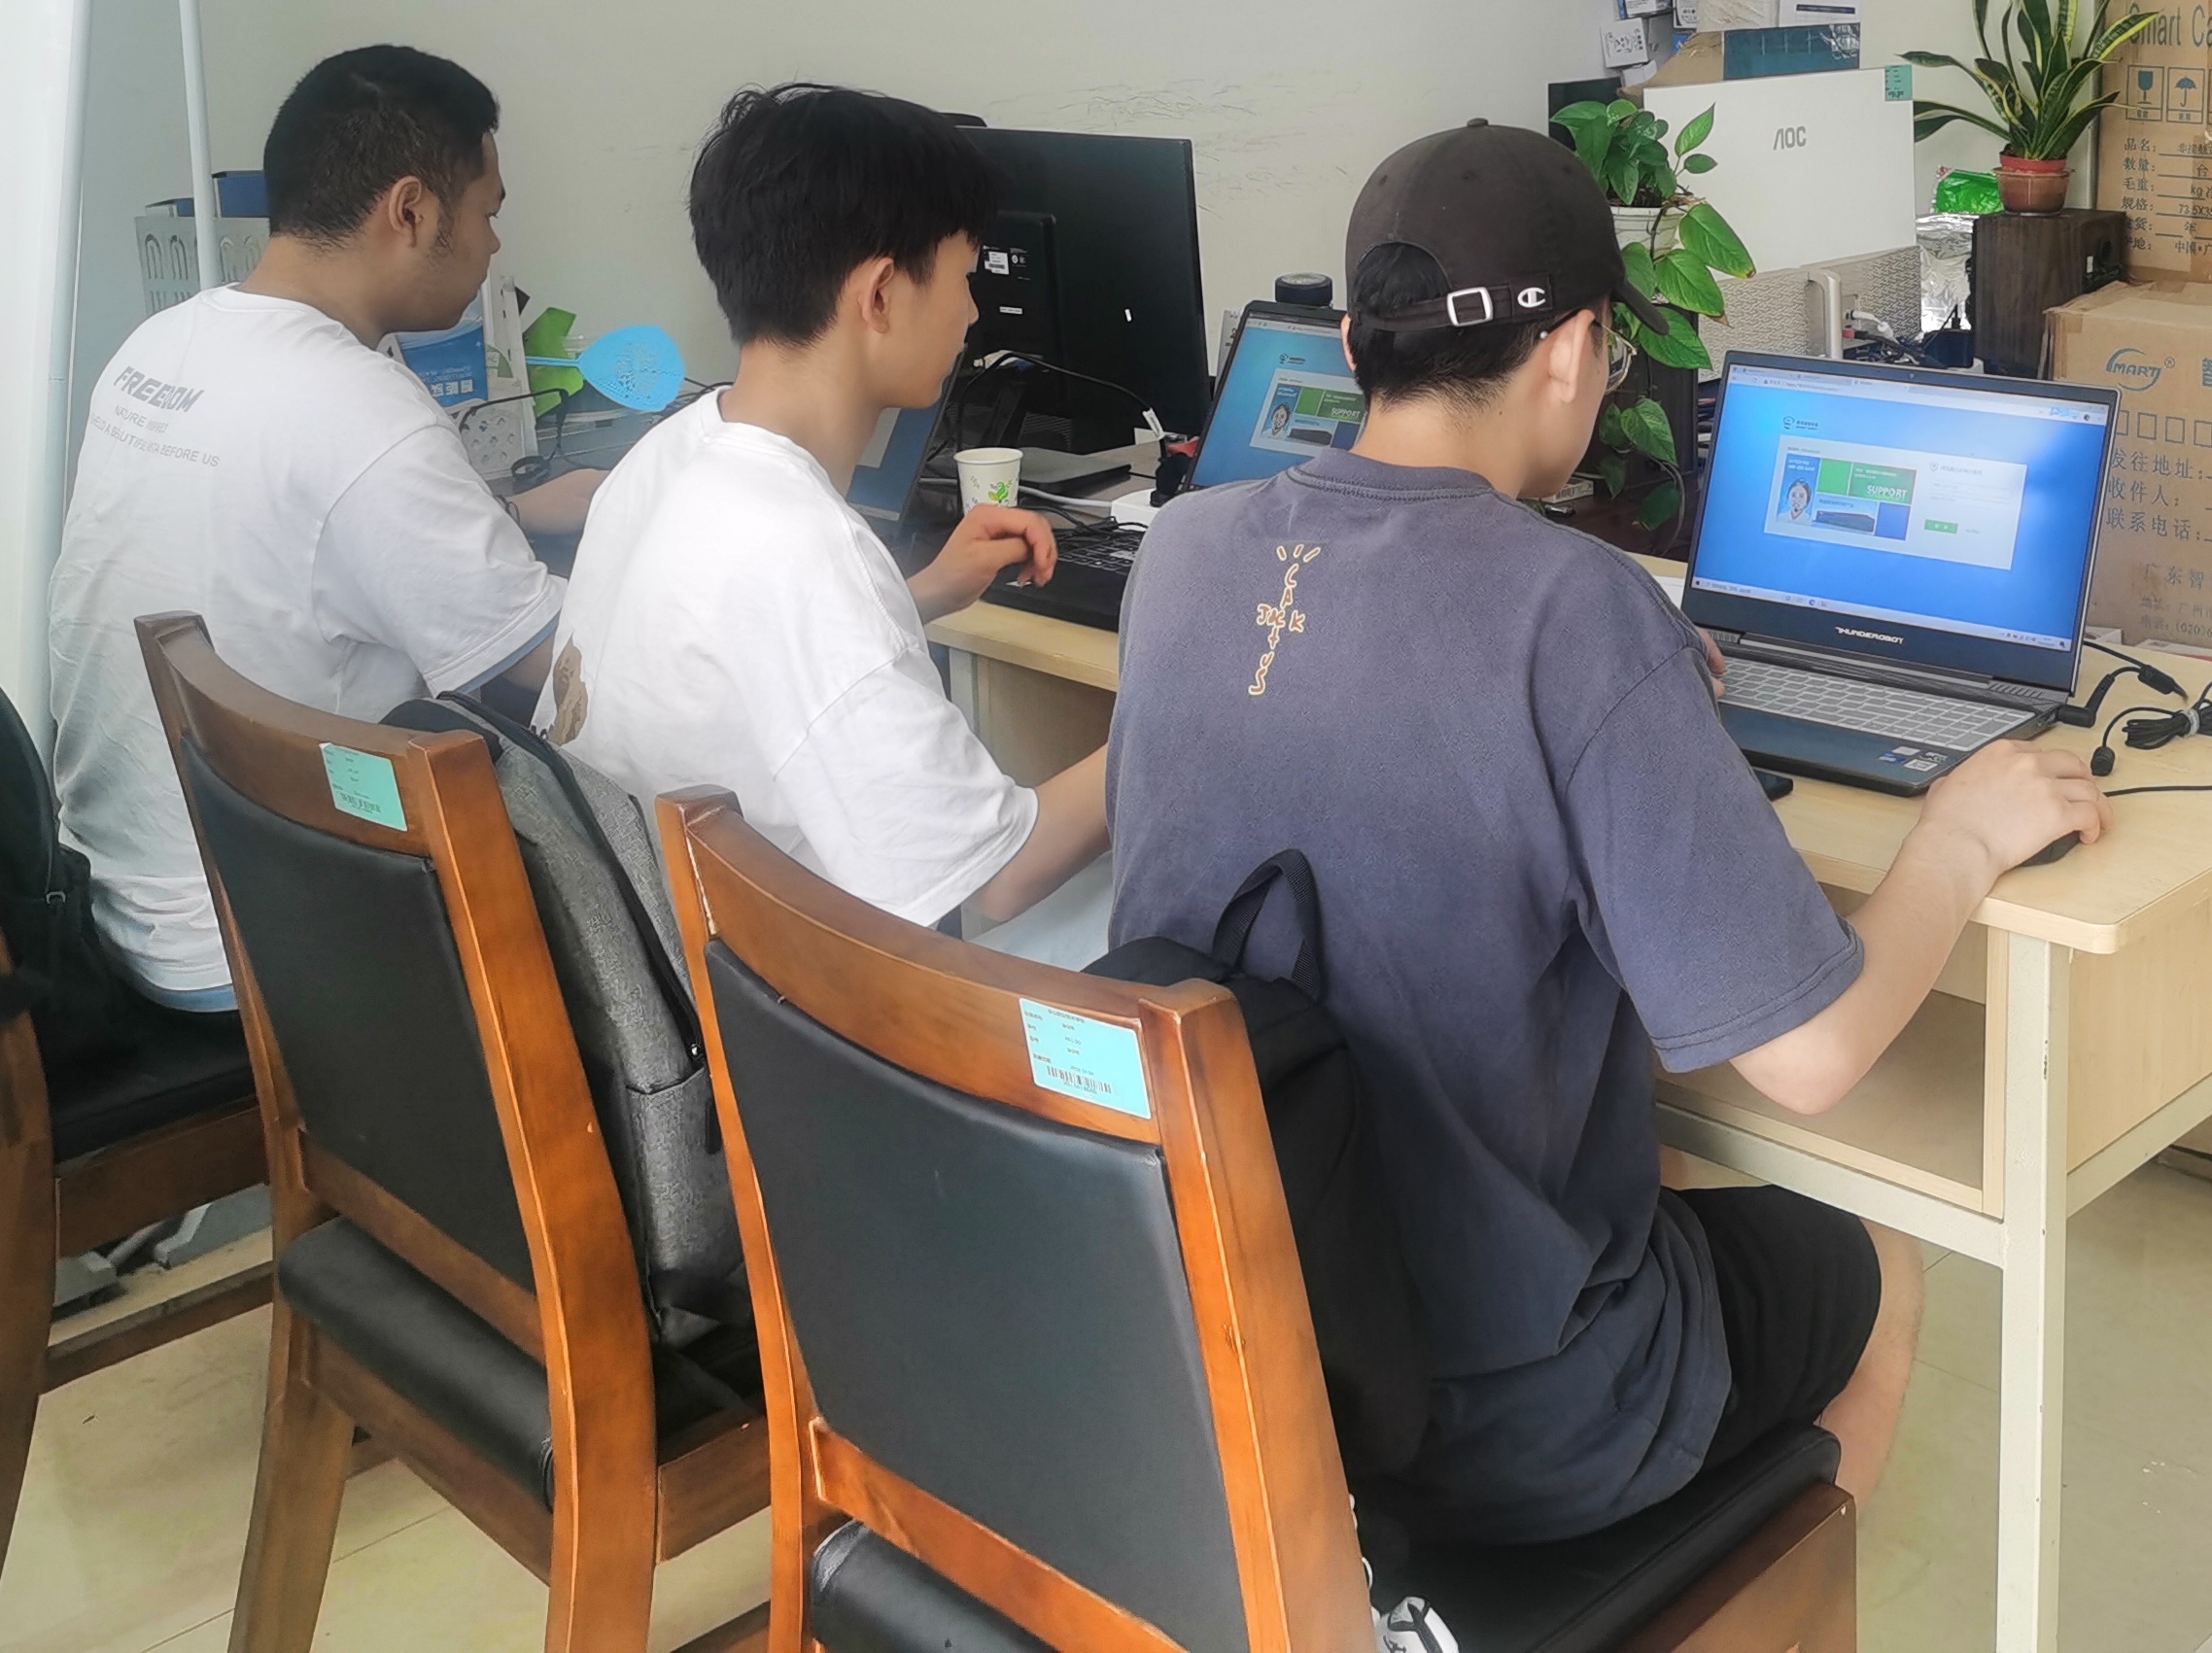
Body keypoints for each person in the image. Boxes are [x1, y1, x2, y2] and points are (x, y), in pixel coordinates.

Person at [1106, 121, 2106, 1544]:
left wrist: (1634, 683)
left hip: (1234, 1343)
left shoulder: (1187, 551)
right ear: (1575, 350)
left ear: (1350, 344)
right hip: (1503, 1413)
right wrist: (1955, 833)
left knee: (1672, 1161)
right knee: (1881, 1265)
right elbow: (1811, 1060)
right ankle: (1751, 1609)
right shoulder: (1573, 609)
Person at [50, 45, 604, 1012]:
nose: (492, 247)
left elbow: (293, 532)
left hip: (121, 897)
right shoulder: (358, 407)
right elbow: (549, 660)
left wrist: (506, 513)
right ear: (410, 211)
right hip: (268, 945)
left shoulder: (163, 344)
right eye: (488, 212)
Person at [541, 83, 1108, 925]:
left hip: (645, 951)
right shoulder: (801, 548)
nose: (972, 313)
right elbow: (997, 878)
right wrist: (1178, 714)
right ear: (880, 296)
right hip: (769, 987)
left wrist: (920, 595)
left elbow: (741, 662)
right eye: (963, 278)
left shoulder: (668, 453)